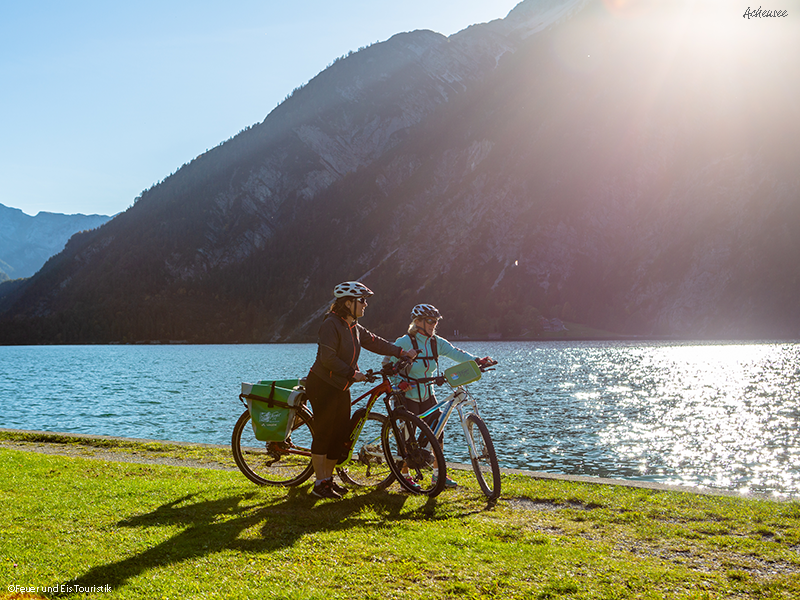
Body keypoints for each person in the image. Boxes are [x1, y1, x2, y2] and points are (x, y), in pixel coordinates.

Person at [305, 281, 418, 500]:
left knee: (339, 435)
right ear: (348, 303)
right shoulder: (331, 324)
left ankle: (328, 481)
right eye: (362, 300)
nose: (365, 304)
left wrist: (402, 352)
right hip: (323, 385)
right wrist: (351, 373)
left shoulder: (353, 326)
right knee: (324, 434)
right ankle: (319, 483)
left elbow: (375, 342)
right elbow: (327, 359)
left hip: (341, 386)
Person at [386, 303, 493, 490]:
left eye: (435, 321)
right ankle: (404, 476)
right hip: (407, 395)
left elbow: (456, 353)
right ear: (417, 322)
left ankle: (438, 476)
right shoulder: (403, 342)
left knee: (438, 432)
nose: (433, 324)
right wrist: (398, 384)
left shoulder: (436, 342)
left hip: (428, 394)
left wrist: (477, 360)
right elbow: (387, 365)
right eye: (430, 321)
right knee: (406, 437)